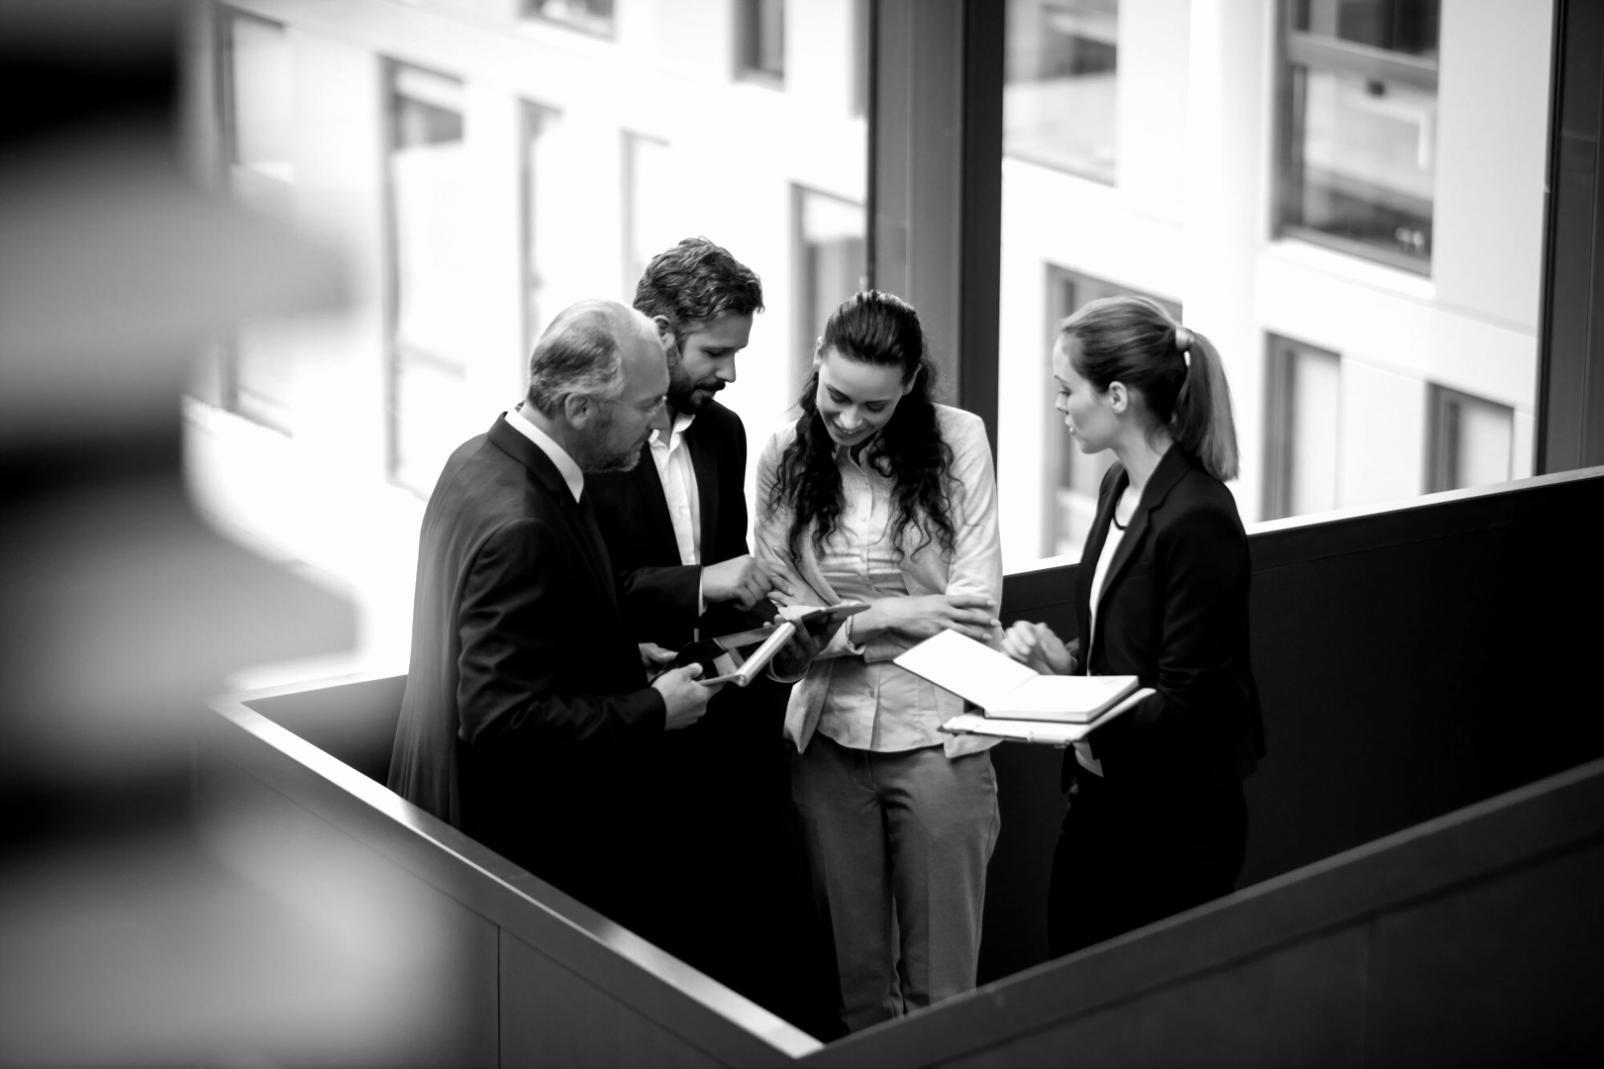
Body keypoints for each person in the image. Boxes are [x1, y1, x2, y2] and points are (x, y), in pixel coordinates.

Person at [387, 299, 722, 929]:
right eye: (647, 406)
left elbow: (528, 633)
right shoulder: (523, 522)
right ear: (580, 408)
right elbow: (501, 719)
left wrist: (618, 655)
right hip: (515, 852)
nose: (656, 427)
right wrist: (652, 710)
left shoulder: (475, 460)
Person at [585, 237, 831, 1029]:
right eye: (716, 350)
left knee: (756, 954)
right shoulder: (590, 449)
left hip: (727, 741)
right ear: (658, 332)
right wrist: (705, 582)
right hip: (631, 750)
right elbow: (591, 594)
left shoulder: (725, 435)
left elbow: (729, 599)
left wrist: (781, 639)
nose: (730, 372)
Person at [754, 290, 1004, 1034]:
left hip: (943, 738)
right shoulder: (782, 452)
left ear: (911, 386)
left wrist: (843, 625)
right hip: (827, 738)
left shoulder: (961, 441)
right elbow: (783, 619)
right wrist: (904, 612)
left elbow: (975, 610)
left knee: (942, 997)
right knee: (861, 996)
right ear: (816, 367)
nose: (852, 420)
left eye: (876, 405)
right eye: (838, 398)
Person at [1000, 294, 1266, 958]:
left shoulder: (1198, 517)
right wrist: (1058, 662)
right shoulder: (1118, 484)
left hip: (1172, 829)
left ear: (1117, 395)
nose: (1058, 405)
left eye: (1067, 390)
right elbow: (1116, 656)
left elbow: (1187, 709)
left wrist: (1064, 693)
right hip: (1099, 801)